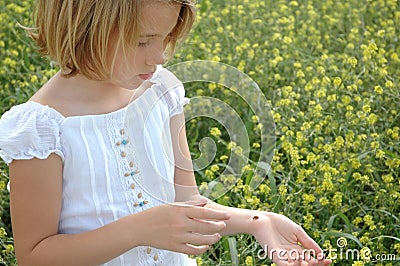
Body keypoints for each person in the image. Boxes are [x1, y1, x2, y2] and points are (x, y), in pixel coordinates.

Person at [0, 0, 332, 265]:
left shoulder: (162, 91)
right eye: (143, 41)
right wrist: (138, 230)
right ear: (86, 26)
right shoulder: (42, 129)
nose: (159, 56)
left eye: (166, 39)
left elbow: (186, 203)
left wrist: (259, 221)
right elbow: (35, 255)